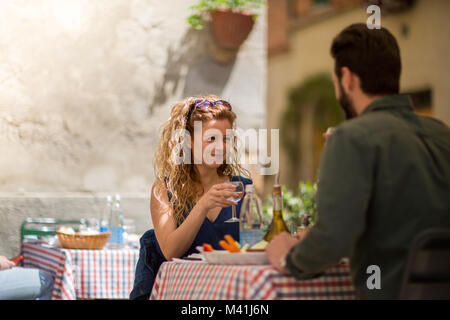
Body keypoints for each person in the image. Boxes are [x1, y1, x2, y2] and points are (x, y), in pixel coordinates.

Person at [266, 23, 450, 299]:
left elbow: (333, 241)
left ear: (348, 79)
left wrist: (287, 257)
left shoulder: (352, 138)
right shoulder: (441, 133)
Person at [130, 95, 252, 300]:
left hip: (233, 294)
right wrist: (202, 205)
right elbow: (171, 251)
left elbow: (255, 245)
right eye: (211, 139)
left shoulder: (243, 188)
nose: (221, 147)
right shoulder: (165, 189)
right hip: (184, 294)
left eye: (226, 139)